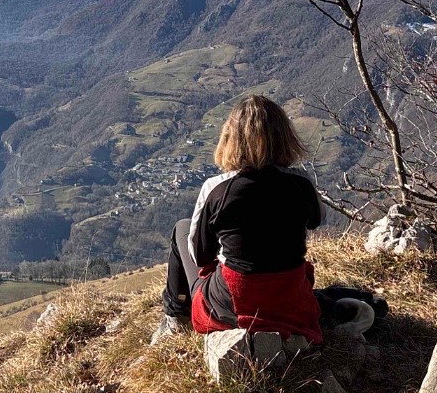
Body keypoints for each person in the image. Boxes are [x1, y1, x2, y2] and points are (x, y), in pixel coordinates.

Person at [156, 95, 375, 343]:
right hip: (288, 295)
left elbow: (199, 256)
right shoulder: (301, 183)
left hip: (234, 303)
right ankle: (344, 306)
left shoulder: (217, 188)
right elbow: (316, 220)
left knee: (181, 228)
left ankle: (175, 316)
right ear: (284, 137)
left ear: (231, 139)